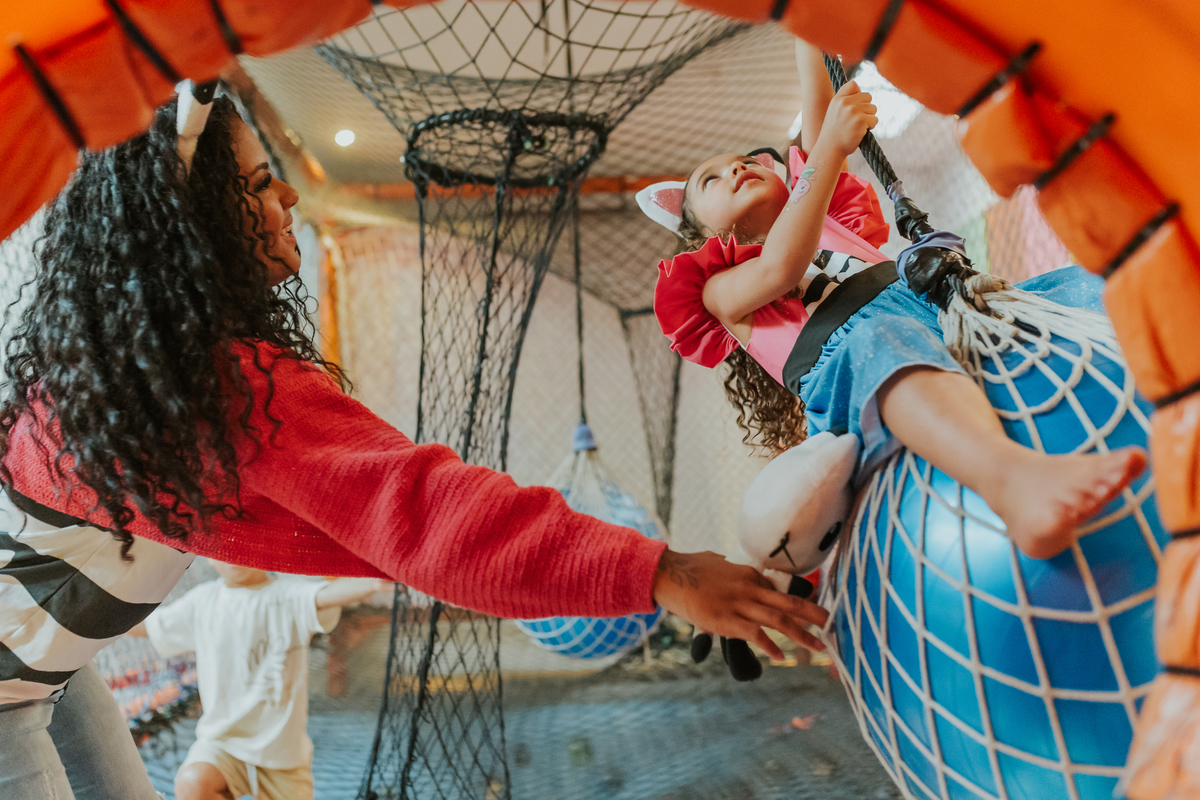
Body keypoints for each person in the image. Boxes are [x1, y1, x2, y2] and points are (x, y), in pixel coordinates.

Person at [0, 89, 828, 800]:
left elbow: (401, 524)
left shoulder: (138, 379)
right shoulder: (207, 391)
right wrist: (666, 574)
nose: (287, 199)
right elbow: (428, 516)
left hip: (49, 676)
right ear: (193, 236)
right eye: (258, 185)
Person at [644, 41, 1145, 562]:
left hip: (936, 311)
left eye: (746, 160)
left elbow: (817, 86)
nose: (736, 170)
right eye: (712, 179)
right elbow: (780, 269)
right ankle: (1013, 484)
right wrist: (831, 150)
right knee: (882, 341)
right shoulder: (717, 290)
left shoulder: (825, 215)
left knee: (1070, 286)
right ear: (698, 233)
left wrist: (804, 26)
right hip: (852, 367)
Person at [126, 562, 388, 800]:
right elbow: (151, 627)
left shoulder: (287, 594)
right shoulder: (203, 602)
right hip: (222, 745)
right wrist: (93, 617)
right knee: (192, 783)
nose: (232, 558)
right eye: (222, 549)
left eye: (241, 548)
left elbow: (324, 595)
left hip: (283, 756)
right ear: (208, 557)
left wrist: (373, 581)